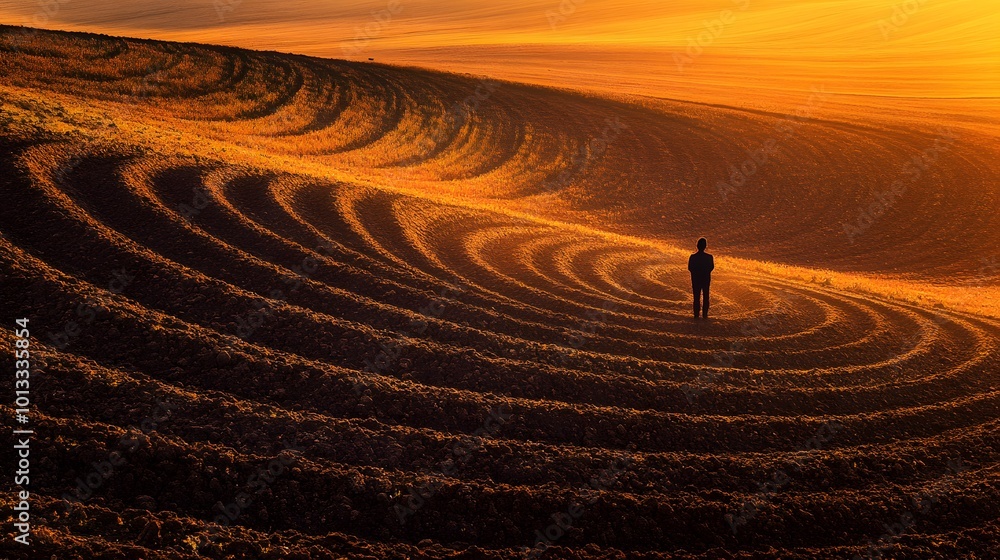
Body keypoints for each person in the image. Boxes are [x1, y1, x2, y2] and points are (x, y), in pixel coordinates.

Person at [687, 238, 714, 319]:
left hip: (696, 279)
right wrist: (704, 272)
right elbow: (711, 267)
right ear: (705, 246)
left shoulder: (693, 257)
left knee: (696, 297)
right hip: (705, 279)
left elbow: (690, 268)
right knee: (706, 297)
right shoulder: (709, 257)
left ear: (697, 246)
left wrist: (697, 273)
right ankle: (705, 315)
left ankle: (696, 315)